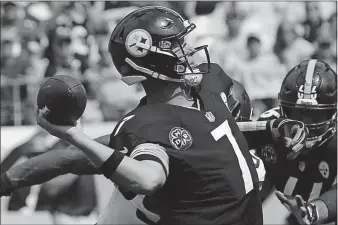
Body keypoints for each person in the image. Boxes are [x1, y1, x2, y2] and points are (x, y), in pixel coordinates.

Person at [2, 6, 306, 225]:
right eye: (176, 45)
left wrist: (275, 129)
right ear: (152, 59)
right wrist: (72, 135)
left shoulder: (210, 80)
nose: (188, 50)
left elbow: (226, 133)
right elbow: (148, 178)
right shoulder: (146, 124)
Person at [256, 59, 337, 225]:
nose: (305, 125)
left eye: (316, 115)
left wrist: (315, 212)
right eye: (298, 114)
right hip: (296, 212)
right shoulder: (269, 125)